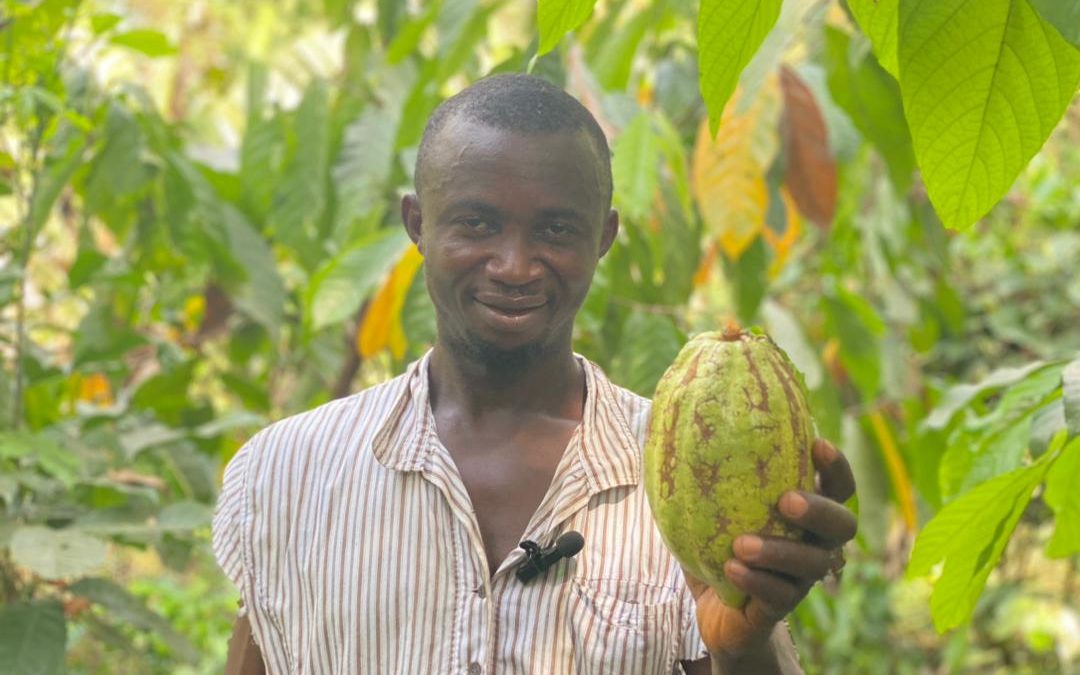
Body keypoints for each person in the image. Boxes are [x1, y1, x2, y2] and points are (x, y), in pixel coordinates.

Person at [212, 73, 857, 675]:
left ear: (602, 238)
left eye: (554, 229)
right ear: (418, 225)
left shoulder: (688, 474)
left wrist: (743, 649)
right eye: (476, 223)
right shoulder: (284, 474)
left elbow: (733, 640)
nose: (515, 265)